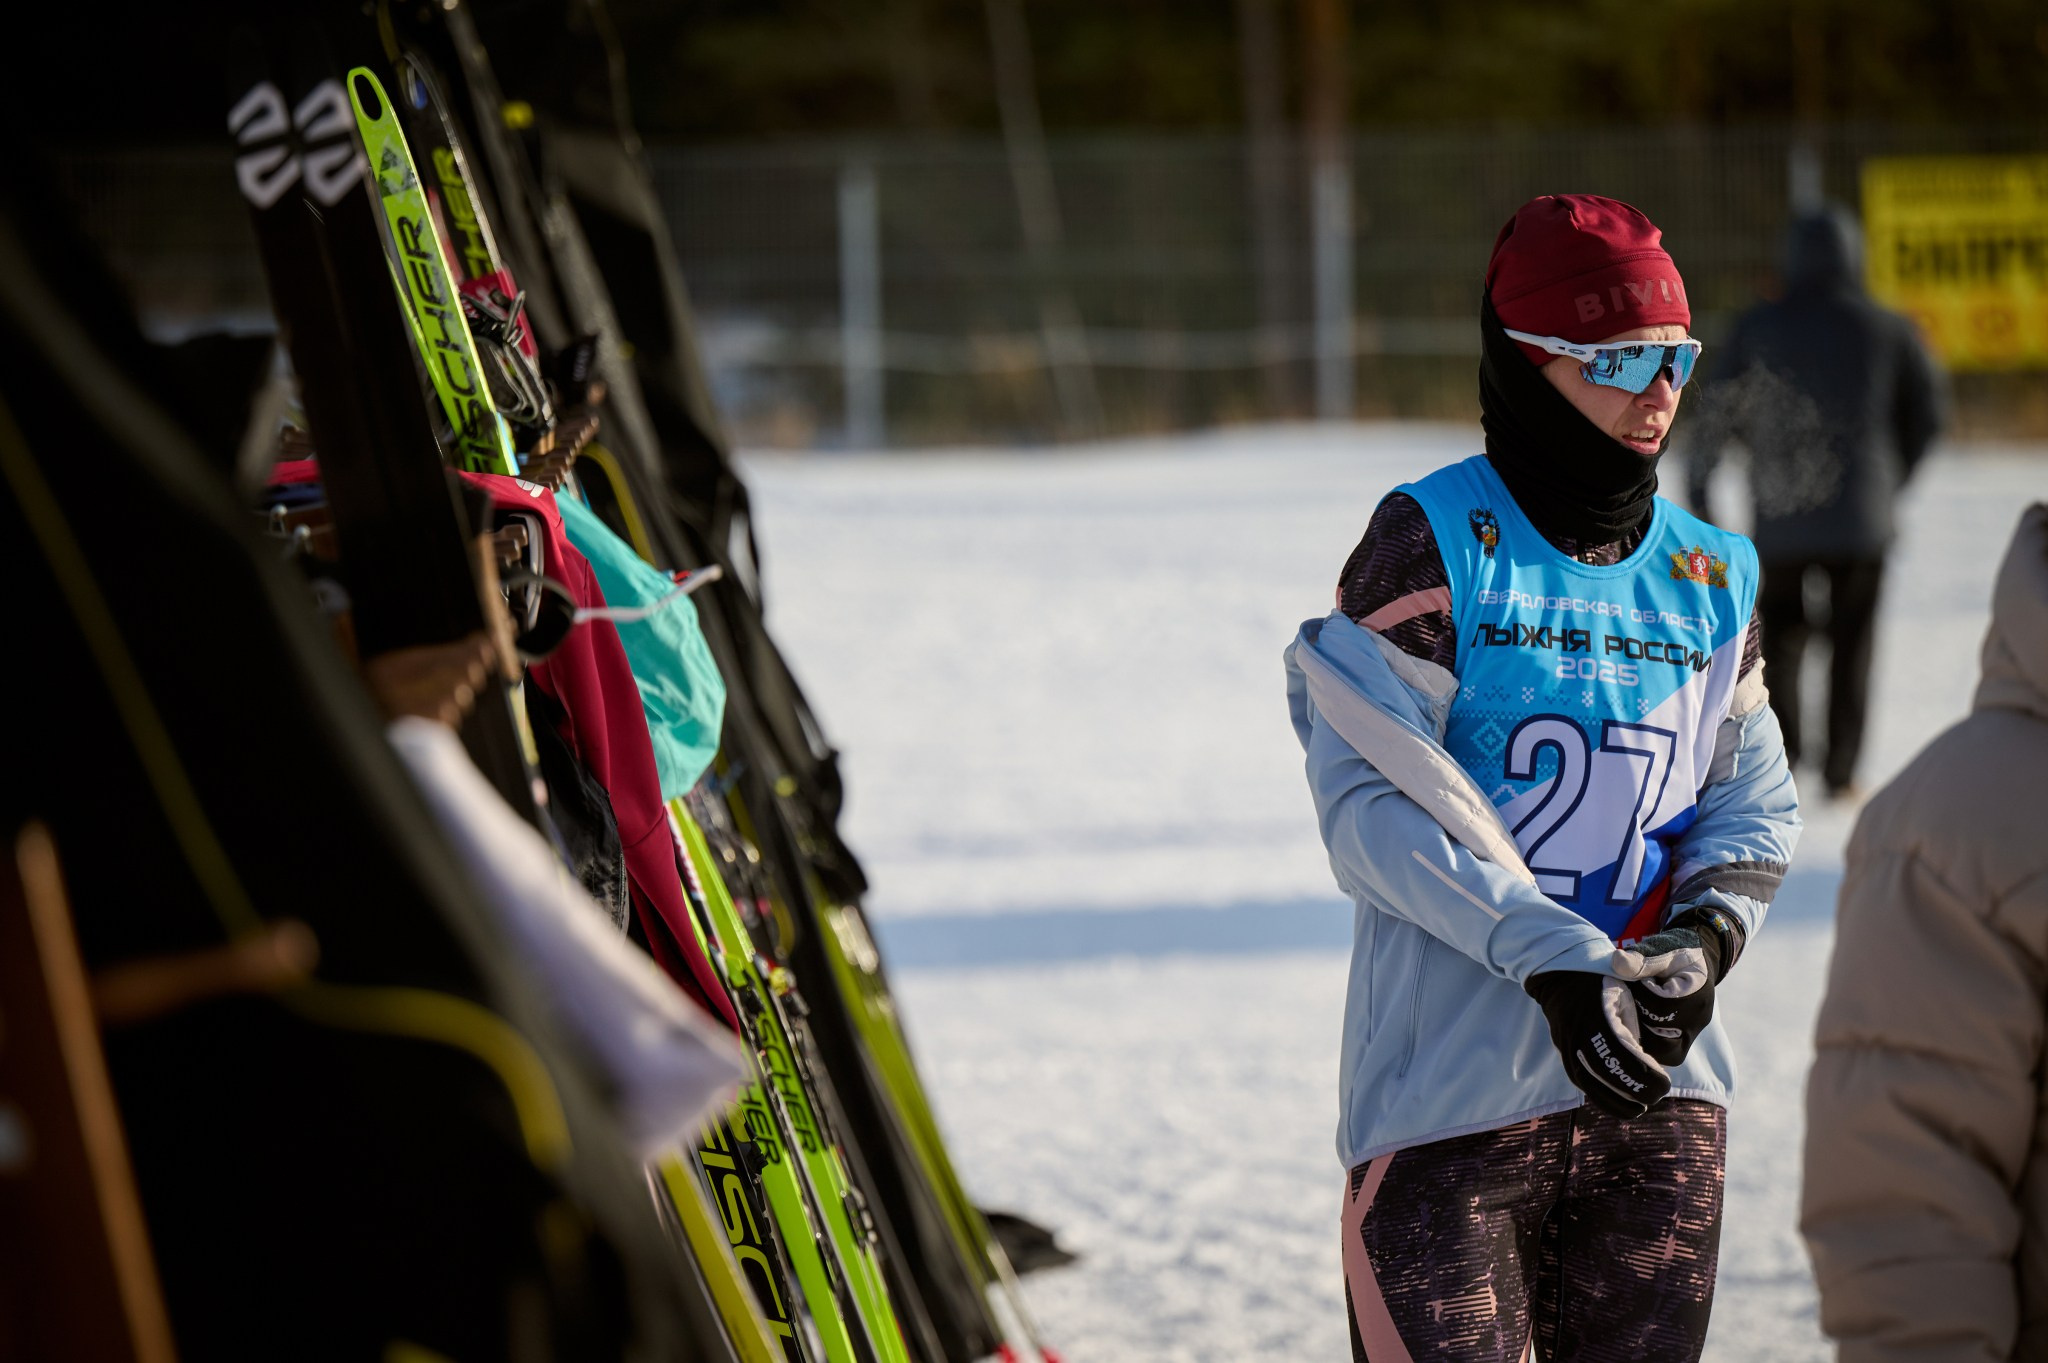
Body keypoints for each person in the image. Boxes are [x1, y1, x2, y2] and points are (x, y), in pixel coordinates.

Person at [1285, 194, 1802, 1361]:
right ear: (1528, 361)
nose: (1658, 390)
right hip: (1448, 1118)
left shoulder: (1709, 571)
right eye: (1619, 358)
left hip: (1657, 1105)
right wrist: (1550, 958)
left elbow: (1749, 800)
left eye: (1676, 356)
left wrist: (1706, 940)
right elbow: (1369, 808)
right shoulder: (1427, 542)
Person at [1801, 503, 2048, 1362]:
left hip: (1827, 503)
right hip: (1842, 511)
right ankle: (1825, 764)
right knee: (1819, 633)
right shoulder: (1968, 821)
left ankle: (1827, 760)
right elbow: (1906, 1203)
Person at [1686, 207, 1946, 799]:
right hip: (1863, 524)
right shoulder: (1888, 328)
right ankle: (1842, 771)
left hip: (1780, 521)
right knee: (1854, 644)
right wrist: (1890, 479)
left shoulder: (1760, 327)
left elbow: (1714, 414)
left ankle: (1786, 754)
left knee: (1777, 641)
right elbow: (1928, 415)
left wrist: (1704, 501)